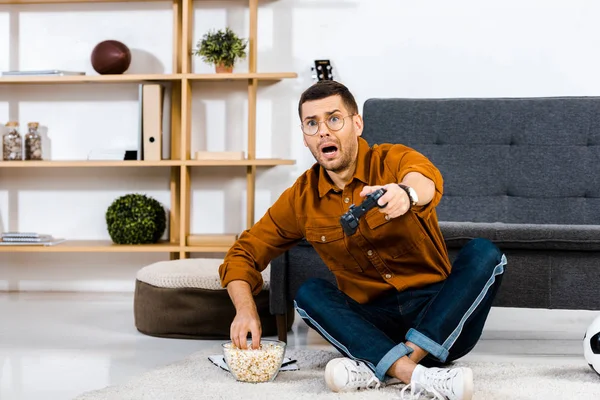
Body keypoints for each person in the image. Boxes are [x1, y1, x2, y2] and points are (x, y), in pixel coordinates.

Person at [219, 80, 507, 400]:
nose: (324, 131)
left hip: (442, 323)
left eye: (334, 119)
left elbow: (425, 180)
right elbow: (244, 252)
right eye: (312, 124)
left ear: (357, 123)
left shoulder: (391, 160)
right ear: (305, 136)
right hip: (372, 325)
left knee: (485, 252)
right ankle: (416, 375)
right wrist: (244, 309)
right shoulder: (301, 198)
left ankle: (384, 367)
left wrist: (406, 193)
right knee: (309, 293)